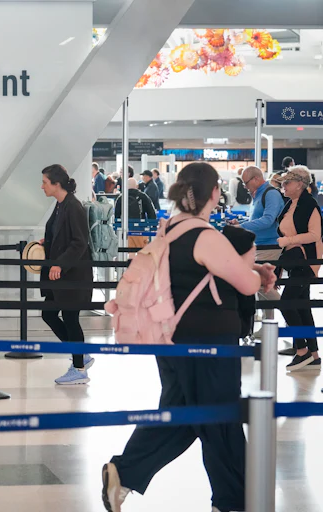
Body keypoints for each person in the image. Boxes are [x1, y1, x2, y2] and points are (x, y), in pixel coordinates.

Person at [102, 162, 276, 512]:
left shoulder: (170, 230)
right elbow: (245, 283)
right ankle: (233, 501)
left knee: (184, 415)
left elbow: (206, 273)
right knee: (219, 420)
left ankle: (126, 471)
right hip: (207, 344)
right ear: (214, 192)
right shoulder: (205, 235)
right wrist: (259, 273)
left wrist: (248, 269)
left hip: (170, 338)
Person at [39, 164, 95, 385]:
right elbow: (62, 234)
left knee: (70, 318)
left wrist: (60, 264)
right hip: (61, 276)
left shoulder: (73, 206)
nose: (41, 186)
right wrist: (48, 242)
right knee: (48, 313)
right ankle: (80, 354)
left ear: (56, 184)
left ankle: (79, 368)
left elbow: (80, 242)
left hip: (73, 275)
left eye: (45, 182)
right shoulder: (61, 205)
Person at [276, 166, 322, 372]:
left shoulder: (309, 205)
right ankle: (314, 355)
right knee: (302, 307)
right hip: (296, 262)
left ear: (300, 184)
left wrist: (288, 240)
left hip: (306, 262)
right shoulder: (291, 204)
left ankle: (301, 350)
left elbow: (314, 235)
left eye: (288, 182)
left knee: (286, 303)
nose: (283, 186)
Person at [231, 166, 284, 322]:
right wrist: (240, 223)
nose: (245, 187)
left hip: (271, 245)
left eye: (246, 183)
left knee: (262, 284)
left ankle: (290, 312)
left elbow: (268, 220)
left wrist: (241, 226)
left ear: (256, 179)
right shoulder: (259, 194)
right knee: (264, 285)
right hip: (260, 245)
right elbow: (256, 220)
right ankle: (269, 324)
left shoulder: (271, 194)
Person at [114, 178, 156, 249]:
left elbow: (116, 215)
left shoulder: (121, 197)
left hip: (125, 231)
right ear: (136, 186)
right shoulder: (143, 196)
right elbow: (151, 213)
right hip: (141, 230)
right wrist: (152, 228)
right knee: (141, 251)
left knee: (128, 251)